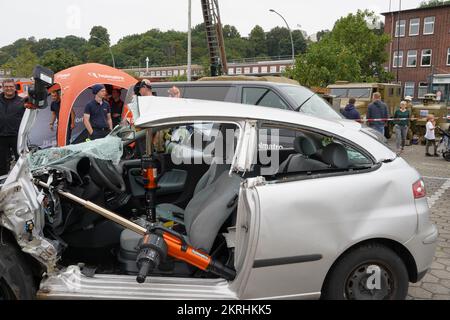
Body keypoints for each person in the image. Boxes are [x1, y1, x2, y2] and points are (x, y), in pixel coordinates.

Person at [0, 79, 25, 175]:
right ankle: (3, 184)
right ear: (2, 88)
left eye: (11, 86)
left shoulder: (22, 101)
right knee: (1, 163)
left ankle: (21, 181)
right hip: (1, 136)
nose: (8, 88)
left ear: (15, 88)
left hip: (17, 136)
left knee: (21, 161)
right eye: (6, 86)